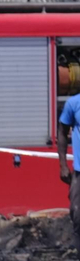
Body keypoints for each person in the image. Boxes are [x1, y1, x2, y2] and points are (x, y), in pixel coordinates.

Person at [59, 85, 80, 243]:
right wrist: (63, 165)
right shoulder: (73, 104)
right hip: (79, 173)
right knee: (77, 216)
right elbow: (62, 131)